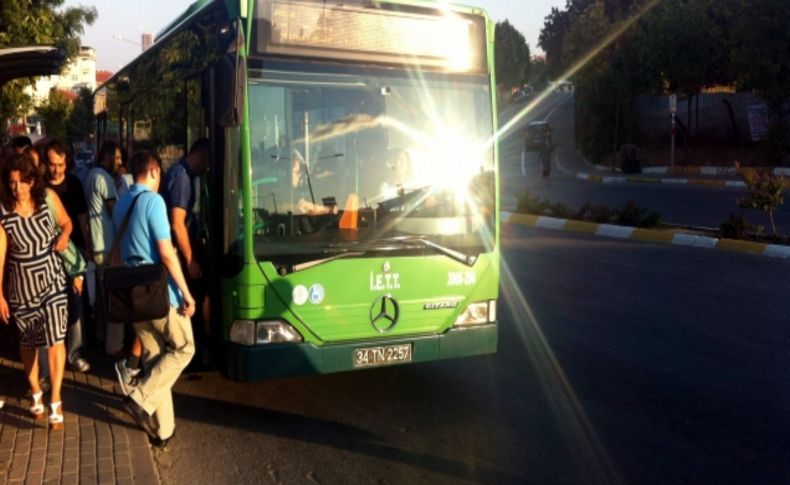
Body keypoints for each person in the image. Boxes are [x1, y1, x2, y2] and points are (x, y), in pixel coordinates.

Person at [116, 150, 195, 448]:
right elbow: (165, 253)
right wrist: (187, 294)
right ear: (152, 170)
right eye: (159, 174)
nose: (160, 180)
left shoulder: (122, 201)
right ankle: (139, 397)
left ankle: (164, 430)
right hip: (157, 293)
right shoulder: (154, 201)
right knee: (184, 348)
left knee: (155, 359)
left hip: (130, 295)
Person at [0, 153, 72, 430]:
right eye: (11, 183)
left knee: (56, 339)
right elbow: (1, 256)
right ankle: (35, 389)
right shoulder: (5, 213)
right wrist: (1, 294)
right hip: (22, 287)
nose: (16, 188)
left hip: (52, 281)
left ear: (31, 180)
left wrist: (64, 237)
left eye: (20, 182)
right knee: (29, 343)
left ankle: (55, 398)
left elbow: (66, 223)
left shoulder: (49, 199)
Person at [162, 138, 210, 363]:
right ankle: (194, 350)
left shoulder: (180, 173)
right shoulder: (182, 178)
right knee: (194, 297)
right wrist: (191, 260)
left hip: (178, 249)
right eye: (208, 161)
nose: (207, 168)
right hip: (179, 251)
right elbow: (177, 224)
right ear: (201, 155)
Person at [45, 141, 91, 372]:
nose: (56, 169)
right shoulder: (40, 186)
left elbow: (82, 218)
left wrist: (87, 247)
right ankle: (53, 354)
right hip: (48, 254)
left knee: (76, 301)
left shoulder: (74, 184)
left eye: (60, 164)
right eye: (52, 164)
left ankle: (74, 352)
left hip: (74, 253)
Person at [84, 140, 122, 354]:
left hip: (97, 246)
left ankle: (100, 336)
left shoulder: (91, 175)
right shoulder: (104, 178)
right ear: (107, 156)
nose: (119, 162)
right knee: (113, 299)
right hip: (107, 247)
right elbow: (114, 212)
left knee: (100, 299)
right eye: (116, 158)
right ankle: (113, 346)